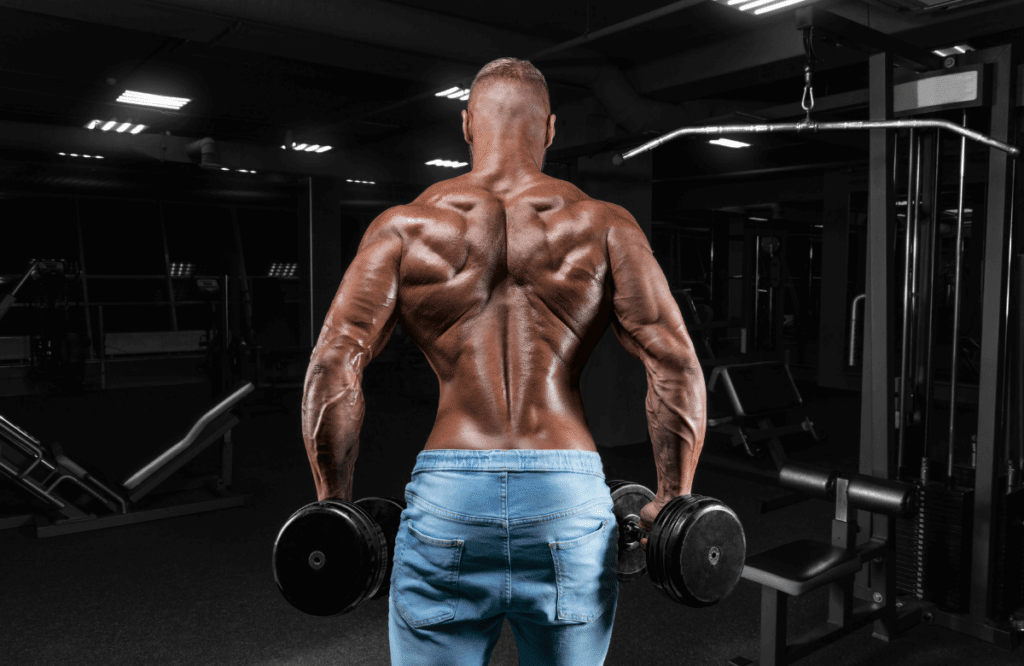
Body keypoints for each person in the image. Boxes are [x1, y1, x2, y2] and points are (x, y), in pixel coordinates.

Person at [301, 57, 706, 666]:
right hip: (567, 496)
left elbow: (334, 363)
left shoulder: (404, 228)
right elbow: (673, 363)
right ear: (549, 130)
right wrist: (672, 499)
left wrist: (336, 506)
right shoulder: (603, 225)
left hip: (449, 498)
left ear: (466, 125)